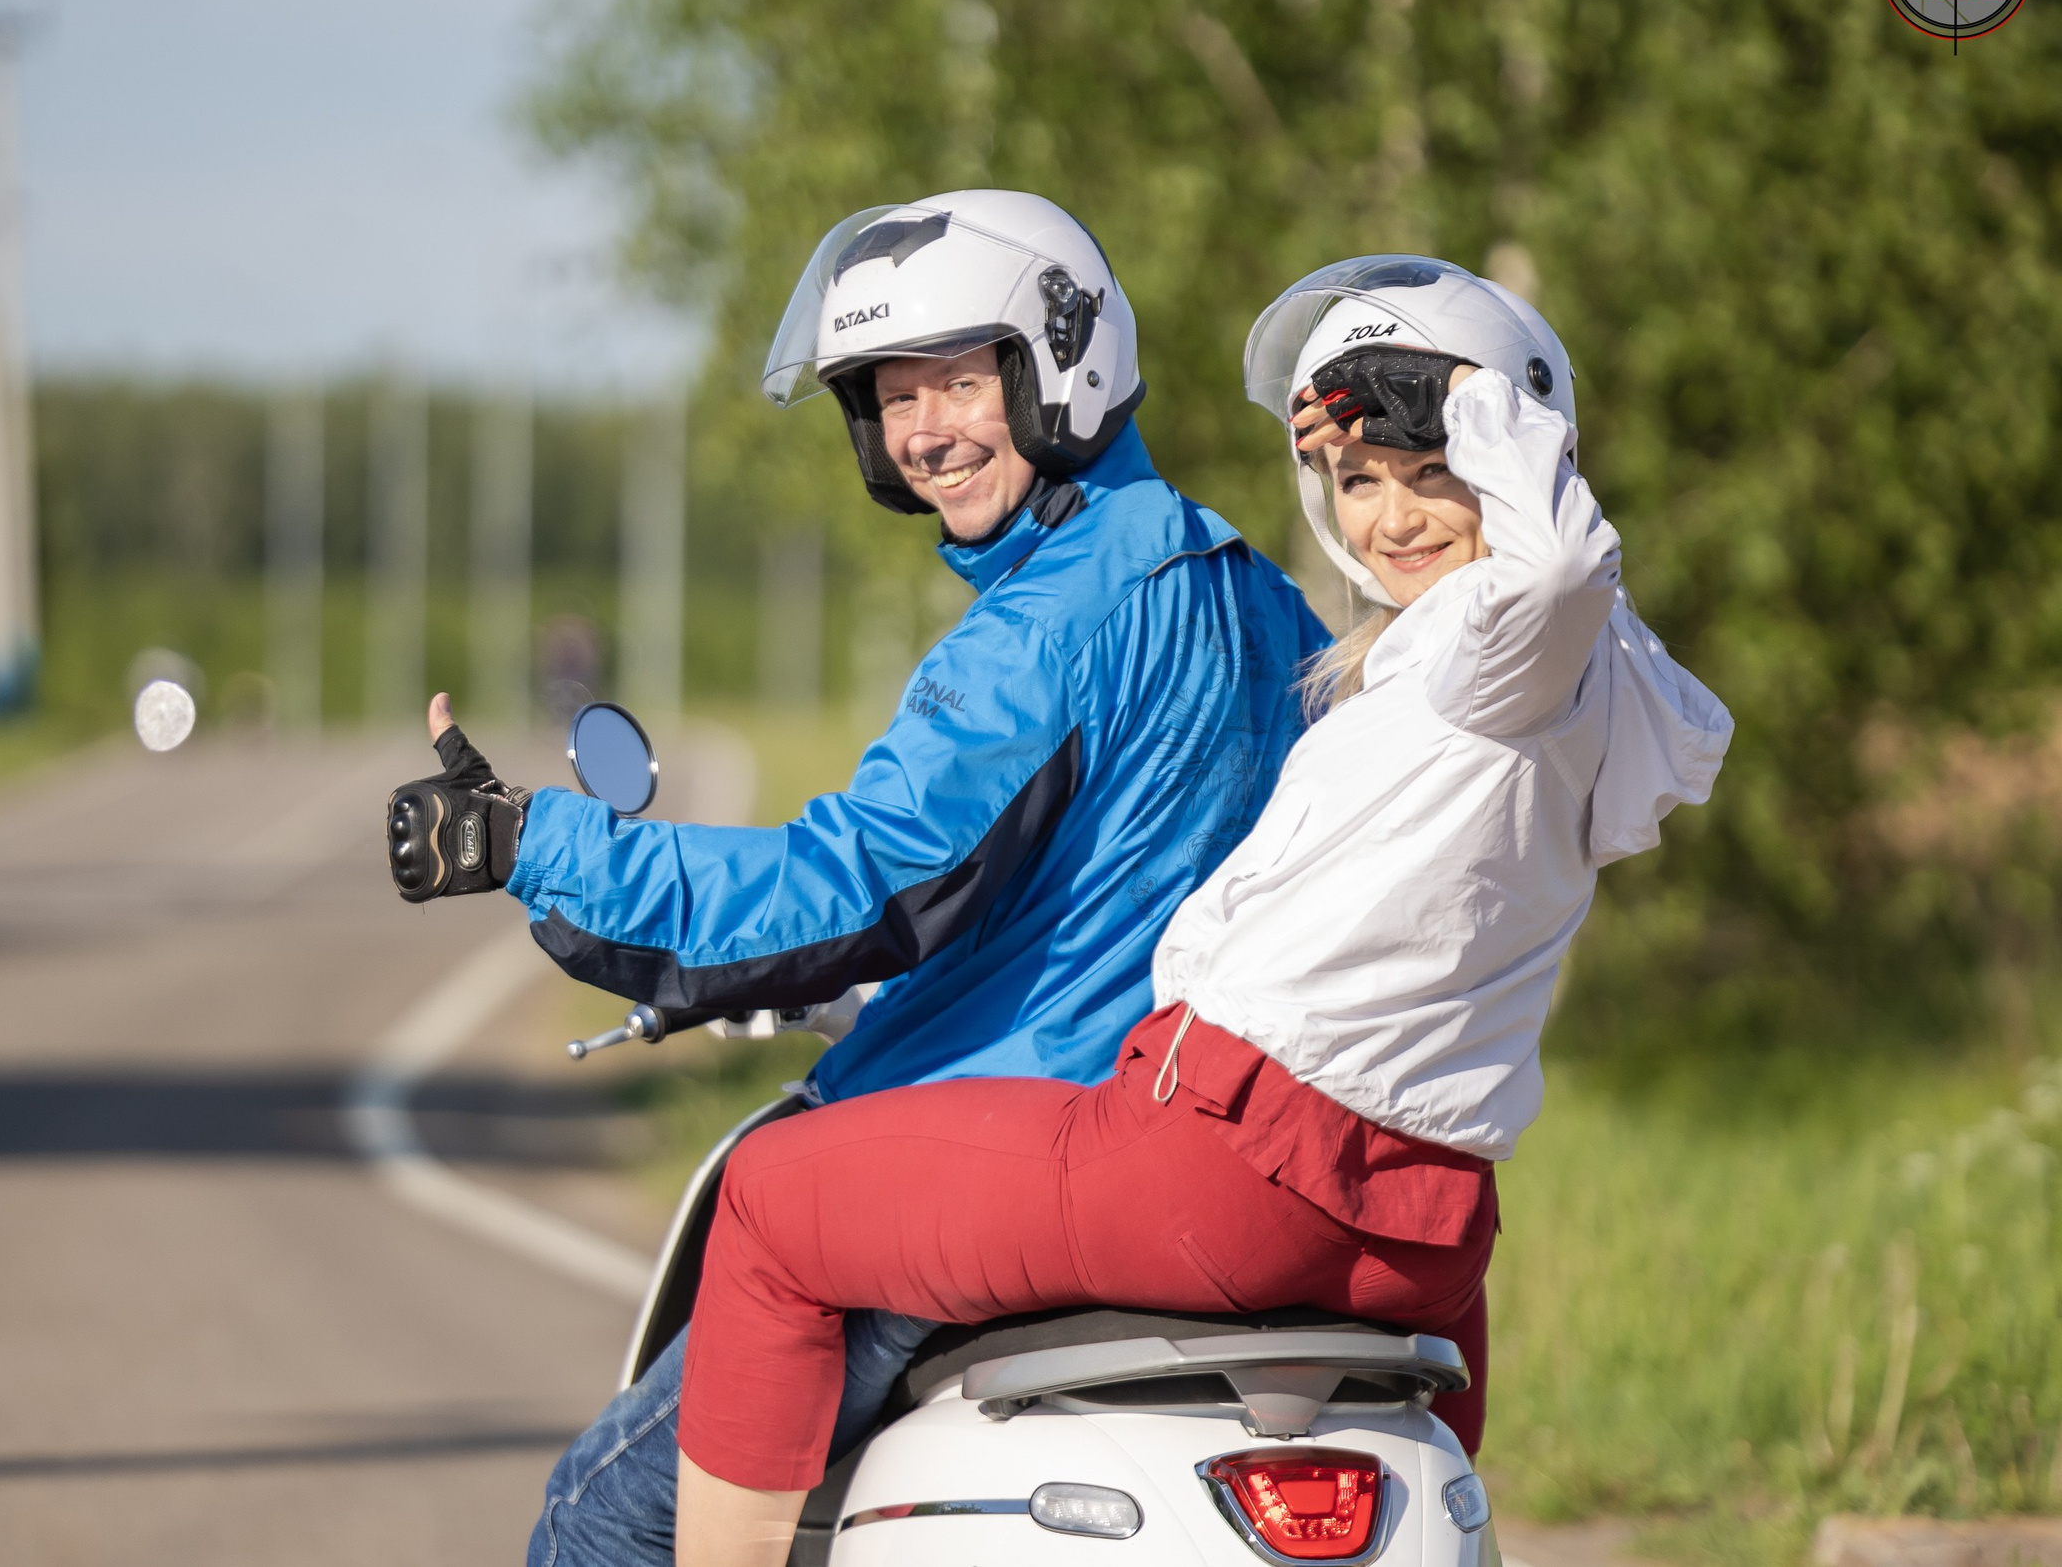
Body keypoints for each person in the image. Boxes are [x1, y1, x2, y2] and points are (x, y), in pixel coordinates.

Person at [666, 256, 1735, 1567]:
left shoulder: (1501, 655)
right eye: (1359, 478)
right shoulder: (1567, 688)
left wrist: (1471, 400)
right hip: (1431, 1232)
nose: (1392, 517)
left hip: (1222, 1168)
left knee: (771, 1202)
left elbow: (1564, 563)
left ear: (1507, 452)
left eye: (1430, 468)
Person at [380, 191, 1336, 1567]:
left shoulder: (1050, 624)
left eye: (957, 379)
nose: (924, 429)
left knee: (599, 1520)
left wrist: (537, 843)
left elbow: (857, 889)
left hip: (1009, 1152)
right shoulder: (1252, 594)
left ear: (1059, 362)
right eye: (891, 398)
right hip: (1213, 1145)